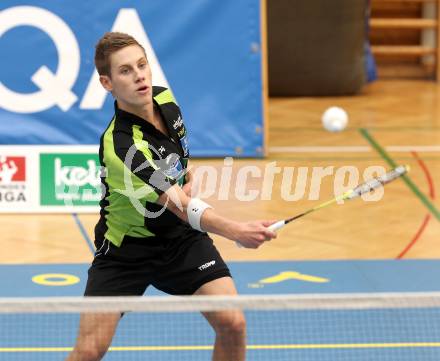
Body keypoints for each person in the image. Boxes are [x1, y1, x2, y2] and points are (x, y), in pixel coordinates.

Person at [66, 31, 276, 361]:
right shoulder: (122, 146)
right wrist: (236, 230)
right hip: (125, 251)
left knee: (233, 322)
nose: (139, 76)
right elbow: (179, 205)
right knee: (90, 350)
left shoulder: (166, 101)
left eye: (142, 65)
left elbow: (177, 161)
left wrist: (185, 177)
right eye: (125, 71)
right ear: (107, 84)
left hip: (180, 242)